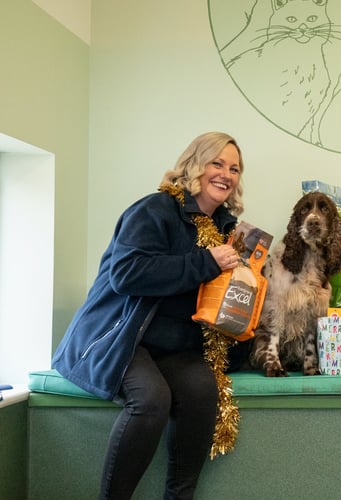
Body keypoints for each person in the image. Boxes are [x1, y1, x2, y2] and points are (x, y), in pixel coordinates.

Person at [52, 131, 246, 499]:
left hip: (174, 345)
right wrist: (206, 262)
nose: (226, 174)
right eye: (216, 163)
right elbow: (126, 274)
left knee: (203, 391)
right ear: (194, 165)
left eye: (234, 168)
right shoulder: (154, 209)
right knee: (151, 400)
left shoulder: (227, 229)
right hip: (122, 335)